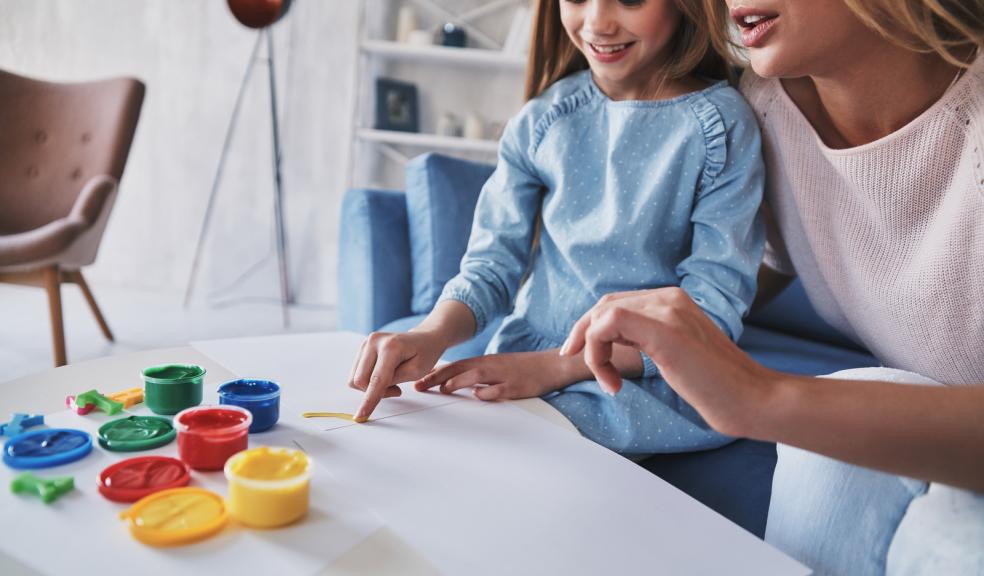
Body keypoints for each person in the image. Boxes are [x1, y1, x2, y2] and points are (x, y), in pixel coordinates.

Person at [561, 0, 984, 573]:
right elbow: (712, 299)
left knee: (943, 533)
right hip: (942, 439)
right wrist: (543, 360)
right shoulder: (768, 112)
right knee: (835, 448)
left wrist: (763, 398)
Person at [347, 0, 767, 455]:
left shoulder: (721, 125)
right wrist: (429, 335)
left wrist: (556, 368)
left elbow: (711, 311)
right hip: (526, 360)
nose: (598, 23)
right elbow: (490, 268)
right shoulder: (541, 121)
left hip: (646, 376)